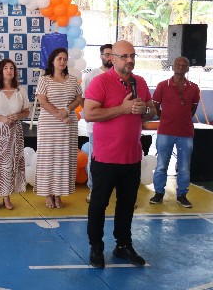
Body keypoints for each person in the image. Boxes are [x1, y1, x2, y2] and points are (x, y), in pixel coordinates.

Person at [84, 40, 156, 268]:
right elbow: (89, 114)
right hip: (105, 158)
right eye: (124, 56)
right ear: (112, 58)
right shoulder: (100, 82)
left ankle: (123, 245)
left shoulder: (140, 82)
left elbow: (153, 110)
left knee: (127, 205)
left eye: (132, 55)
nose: (129, 60)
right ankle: (96, 247)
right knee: (99, 205)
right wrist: (122, 109)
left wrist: (145, 109)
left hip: (132, 157)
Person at [150, 56, 200, 208]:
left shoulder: (194, 88)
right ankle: (159, 193)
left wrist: (180, 119)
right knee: (161, 165)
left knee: (184, 167)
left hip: (186, 133)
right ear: (172, 66)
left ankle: (182, 195)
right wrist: (166, 117)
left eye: (184, 65)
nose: (180, 66)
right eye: (178, 64)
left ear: (188, 68)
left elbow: (192, 110)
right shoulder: (162, 86)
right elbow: (155, 107)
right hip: (165, 132)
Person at [34, 48, 82, 209]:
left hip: (67, 126)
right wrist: (59, 114)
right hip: (49, 125)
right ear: (52, 61)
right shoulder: (44, 79)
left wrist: (66, 111)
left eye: (65, 59)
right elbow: (43, 101)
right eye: (59, 59)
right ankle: (48, 194)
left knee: (63, 160)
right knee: (48, 160)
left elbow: (78, 99)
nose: (62, 62)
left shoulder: (73, 80)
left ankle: (58, 193)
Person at [0, 59, 30, 210]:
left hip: (14, 133)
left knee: (10, 165)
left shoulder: (20, 91)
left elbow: (26, 111)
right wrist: (1, 118)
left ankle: (7, 196)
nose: (9, 71)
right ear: (0, 71)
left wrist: (18, 116)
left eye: (12, 68)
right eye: (6, 68)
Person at [81, 44, 113, 203]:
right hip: (95, 127)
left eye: (112, 54)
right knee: (94, 158)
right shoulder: (91, 75)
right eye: (107, 54)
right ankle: (93, 190)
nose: (109, 57)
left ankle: (117, 191)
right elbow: (83, 99)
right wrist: (91, 114)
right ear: (101, 56)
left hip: (115, 127)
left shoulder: (122, 76)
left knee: (116, 159)